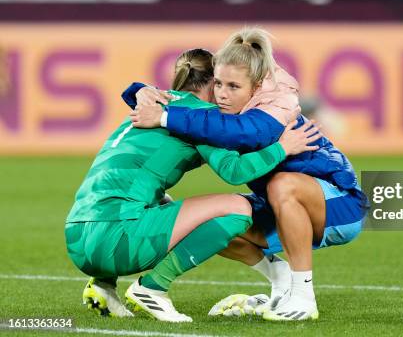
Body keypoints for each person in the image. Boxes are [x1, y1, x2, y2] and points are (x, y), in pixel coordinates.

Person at [126, 27, 369, 321]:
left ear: (256, 87)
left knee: (283, 184)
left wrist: (164, 116)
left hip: (339, 204)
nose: (222, 94)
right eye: (218, 84)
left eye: (233, 87)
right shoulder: (238, 101)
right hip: (279, 205)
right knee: (213, 218)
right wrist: (140, 90)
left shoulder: (272, 111)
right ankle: (280, 281)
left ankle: (304, 297)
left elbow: (239, 133)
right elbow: (192, 101)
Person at [65, 48, 320, 323]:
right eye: (222, 84)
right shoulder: (202, 118)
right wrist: (283, 148)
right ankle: (153, 288)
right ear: (213, 82)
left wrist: (140, 89)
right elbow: (235, 171)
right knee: (238, 208)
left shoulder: (154, 104)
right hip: (120, 239)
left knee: (156, 198)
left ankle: (103, 284)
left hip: (78, 241)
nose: (225, 94)